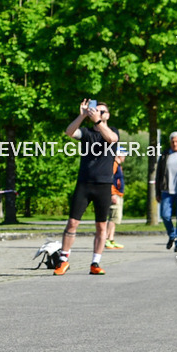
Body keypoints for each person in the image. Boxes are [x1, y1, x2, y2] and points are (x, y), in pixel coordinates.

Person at [53, 99, 119, 276]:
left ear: (107, 115)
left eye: (102, 112)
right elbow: (69, 132)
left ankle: (95, 262)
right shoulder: (86, 132)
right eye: (95, 111)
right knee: (73, 222)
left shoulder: (112, 131)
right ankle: (63, 260)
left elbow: (112, 139)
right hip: (84, 183)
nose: (98, 113)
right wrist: (82, 115)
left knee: (101, 226)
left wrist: (98, 120)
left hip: (104, 185)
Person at [105, 148, 126, 250]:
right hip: (115, 194)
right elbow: (110, 179)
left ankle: (111, 239)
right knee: (113, 218)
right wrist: (112, 194)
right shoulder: (114, 164)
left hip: (118, 194)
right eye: (123, 155)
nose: (124, 157)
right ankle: (107, 239)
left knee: (115, 219)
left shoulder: (118, 165)